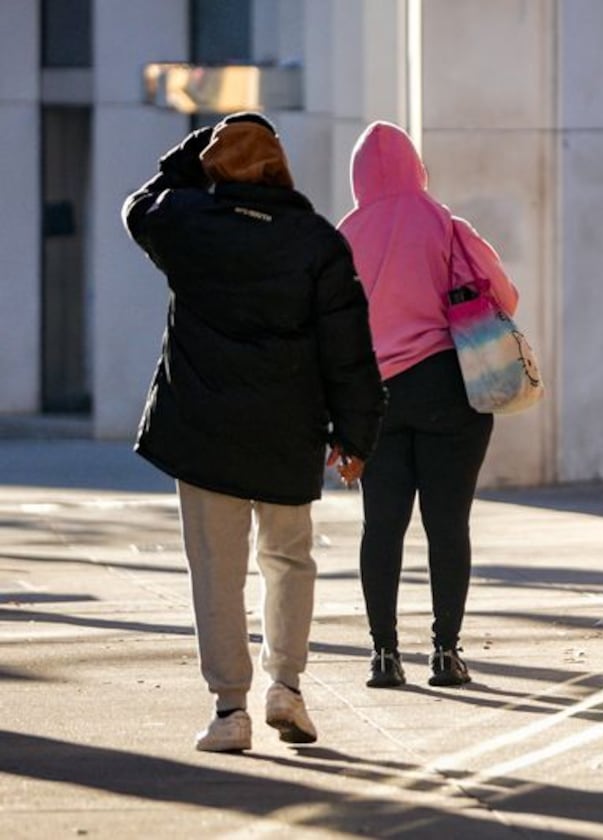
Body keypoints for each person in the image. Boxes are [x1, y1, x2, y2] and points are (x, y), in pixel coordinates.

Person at [122, 112, 386, 752]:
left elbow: (138, 204)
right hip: (287, 431)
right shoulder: (316, 241)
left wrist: (195, 148)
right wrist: (356, 437)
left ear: (214, 166)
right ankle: (286, 687)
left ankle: (229, 710)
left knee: (216, 570)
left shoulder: (186, 223)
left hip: (203, 430)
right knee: (289, 560)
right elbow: (348, 348)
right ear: (279, 166)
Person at [336, 121, 520, 689]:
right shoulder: (445, 223)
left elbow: (332, 330)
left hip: (377, 398)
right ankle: (445, 653)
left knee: (381, 527)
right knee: (448, 525)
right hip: (449, 389)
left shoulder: (343, 236)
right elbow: (504, 296)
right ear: (416, 167)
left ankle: (384, 655)